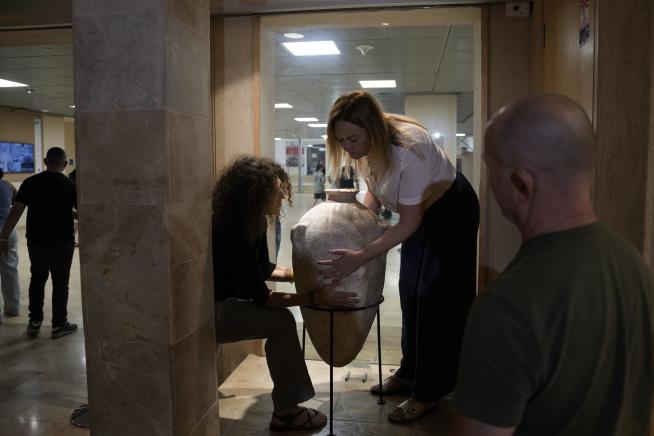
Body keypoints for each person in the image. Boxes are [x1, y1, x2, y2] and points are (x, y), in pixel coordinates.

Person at [449, 94, 654, 436]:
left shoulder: (507, 306)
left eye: (490, 168)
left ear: (521, 184)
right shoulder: (635, 266)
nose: (488, 184)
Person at [320, 91, 480, 423]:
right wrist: (357, 231)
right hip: (419, 214)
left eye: (352, 138)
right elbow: (374, 197)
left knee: (434, 297)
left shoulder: (411, 148)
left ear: (372, 129)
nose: (347, 146)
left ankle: (429, 392)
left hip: (451, 211)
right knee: (409, 291)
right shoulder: (364, 146)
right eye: (341, 140)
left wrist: (361, 255)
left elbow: (408, 223)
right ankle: (409, 372)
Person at [212, 156, 359, 432]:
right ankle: (286, 413)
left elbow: (264, 268)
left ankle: (287, 405)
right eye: (275, 189)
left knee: (280, 320)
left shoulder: (250, 222)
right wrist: (314, 297)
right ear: (254, 194)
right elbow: (264, 298)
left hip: (229, 302)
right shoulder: (232, 232)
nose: (282, 194)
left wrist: (304, 273)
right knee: (281, 321)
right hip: (214, 313)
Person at [0, 147, 77, 339]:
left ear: (45, 161)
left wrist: (3, 237)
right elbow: (81, 211)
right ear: (65, 164)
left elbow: (16, 211)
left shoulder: (30, 182)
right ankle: (59, 325)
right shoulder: (70, 185)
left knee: (37, 279)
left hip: (37, 241)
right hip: (63, 241)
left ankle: (34, 321)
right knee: (61, 282)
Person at [0, 168, 20, 321]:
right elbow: (17, 199)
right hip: (8, 231)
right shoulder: (7, 185)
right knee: (10, 271)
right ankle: (12, 308)